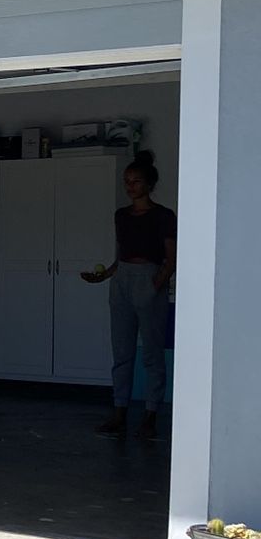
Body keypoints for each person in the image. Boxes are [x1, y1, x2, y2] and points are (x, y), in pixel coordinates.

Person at [82, 151, 175, 439]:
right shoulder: (121, 215)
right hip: (122, 279)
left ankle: (150, 414)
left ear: (149, 184)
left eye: (136, 181)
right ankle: (119, 412)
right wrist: (106, 275)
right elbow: (120, 255)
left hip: (149, 278)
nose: (130, 186)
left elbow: (171, 257)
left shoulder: (163, 215)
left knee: (151, 352)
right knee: (121, 351)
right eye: (127, 181)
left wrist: (157, 283)